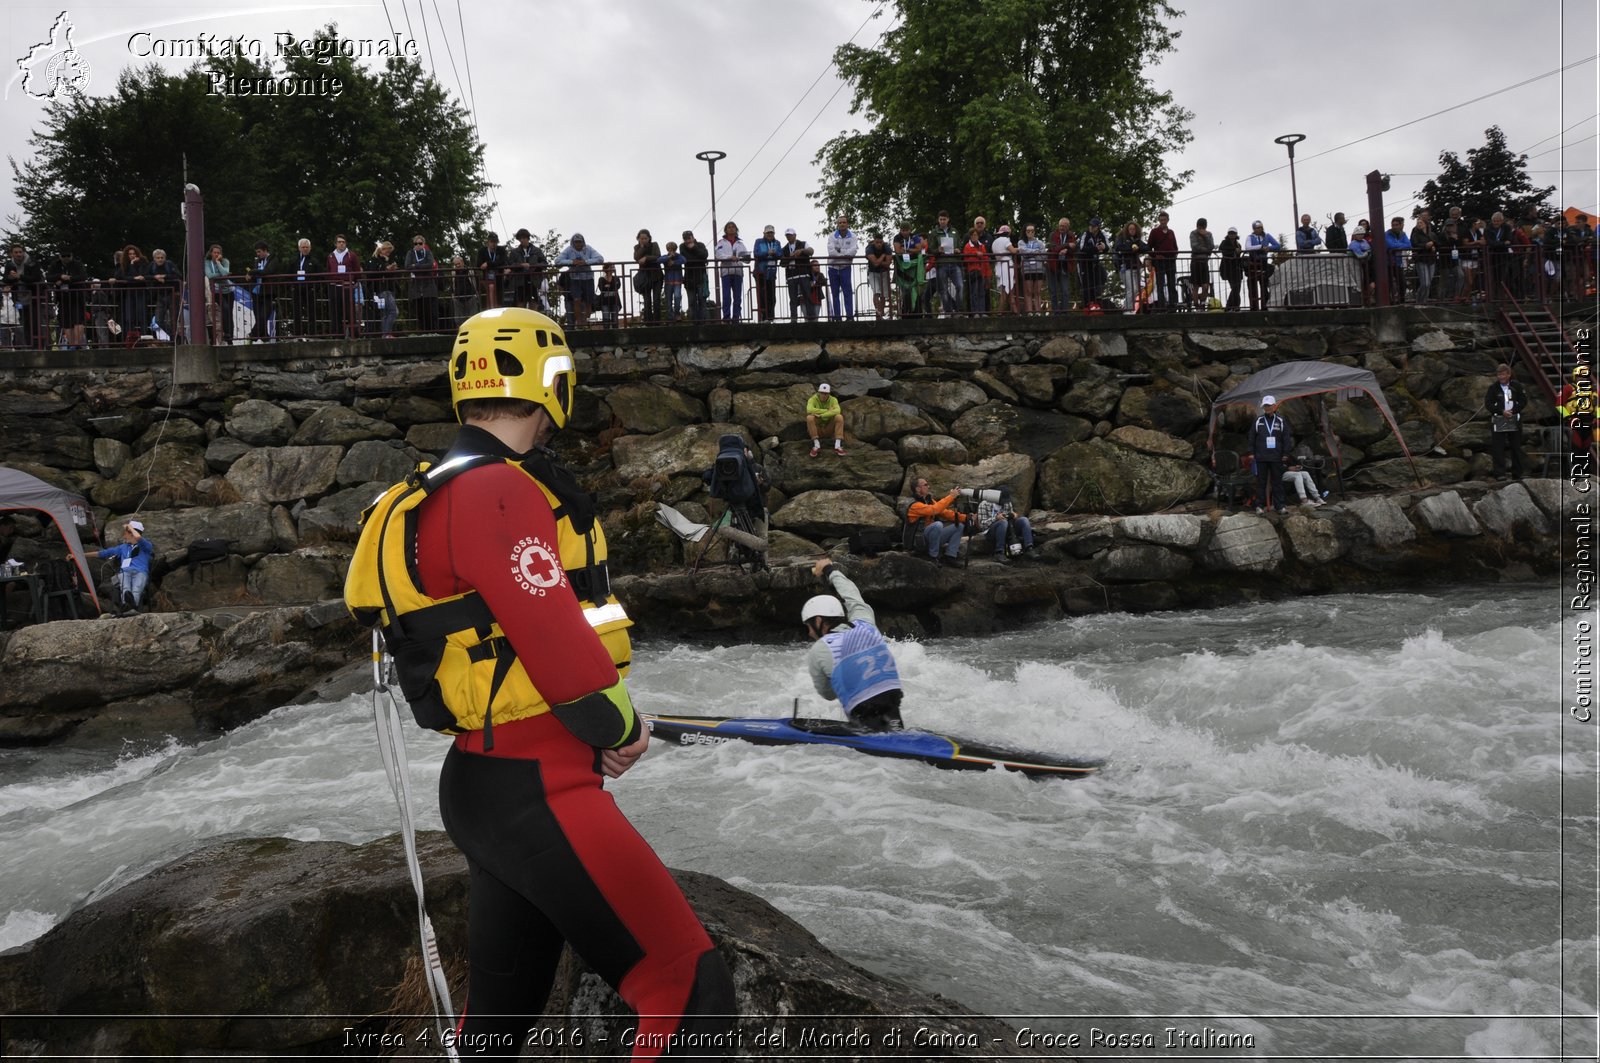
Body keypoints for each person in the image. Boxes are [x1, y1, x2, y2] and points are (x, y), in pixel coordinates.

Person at [344, 306, 734, 1056]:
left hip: (483, 781)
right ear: (552, 381)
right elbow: (558, 647)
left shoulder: (432, 491)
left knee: (495, 1031)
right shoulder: (499, 489)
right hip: (536, 786)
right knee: (689, 993)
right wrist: (620, 728)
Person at [802, 557, 904, 732]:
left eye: (809, 626)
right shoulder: (866, 624)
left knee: (874, 735)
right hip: (893, 698)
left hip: (863, 710)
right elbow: (851, 594)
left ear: (818, 621)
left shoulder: (820, 649)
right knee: (892, 730)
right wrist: (829, 569)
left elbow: (828, 694)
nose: (809, 633)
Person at [1246, 395, 1294, 514]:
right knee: (1261, 482)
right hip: (1261, 456)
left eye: (1269, 405)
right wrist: (1251, 452)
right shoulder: (1258, 421)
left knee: (1277, 482)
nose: (1267, 408)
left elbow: (1286, 438)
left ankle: (1280, 506)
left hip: (1276, 456)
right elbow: (1251, 437)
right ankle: (1259, 506)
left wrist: (1285, 453)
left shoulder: (1281, 421)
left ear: (1274, 406)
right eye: (1265, 406)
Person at [96, 519, 154, 615]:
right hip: (125, 572)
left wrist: (129, 527)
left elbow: (138, 537)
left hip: (140, 572)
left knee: (136, 588)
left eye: (126, 533)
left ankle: (128, 607)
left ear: (132, 533)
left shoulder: (146, 545)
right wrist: (80, 555)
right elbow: (104, 553)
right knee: (125, 586)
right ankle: (130, 607)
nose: (124, 536)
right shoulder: (123, 547)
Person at [906, 476, 966, 565]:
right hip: (919, 542)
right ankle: (933, 557)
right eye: (925, 485)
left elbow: (946, 513)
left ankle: (950, 556)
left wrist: (967, 518)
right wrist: (951, 496)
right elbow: (934, 510)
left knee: (959, 526)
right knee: (937, 525)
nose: (928, 487)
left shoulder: (929, 500)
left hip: (930, 538)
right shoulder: (914, 505)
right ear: (918, 489)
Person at [1483, 363, 1527, 481]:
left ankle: (1517, 472)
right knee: (1498, 447)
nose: (1501, 377)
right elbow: (1488, 403)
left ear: (1509, 374)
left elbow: (1523, 401)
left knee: (1516, 446)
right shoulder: (1493, 388)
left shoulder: (1516, 386)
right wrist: (1501, 411)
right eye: (1499, 375)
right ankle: (1499, 473)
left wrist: (1514, 411)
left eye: (1503, 374)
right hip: (1499, 419)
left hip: (1514, 419)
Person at [555, 233, 602, 326]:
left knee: (589, 302)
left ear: (583, 242)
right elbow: (557, 261)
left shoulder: (588, 248)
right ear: (573, 243)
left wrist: (586, 262)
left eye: (580, 242)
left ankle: (586, 321)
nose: (578, 244)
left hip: (588, 278)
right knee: (577, 300)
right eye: (576, 242)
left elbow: (600, 258)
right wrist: (572, 262)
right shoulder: (569, 250)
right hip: (575, 279)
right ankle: (579, 323)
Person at [2, 245, 44, 349]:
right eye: (16, 252)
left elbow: (36, 278)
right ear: (12, 254)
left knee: (34, 322)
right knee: (21, 321)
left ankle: (36, 346)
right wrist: (10, 278)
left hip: (33, 297)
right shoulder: (10, 264)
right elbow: (5, 279)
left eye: (20, 252)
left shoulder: (32, 262)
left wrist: (20, 276)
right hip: (18, 299)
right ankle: (23, 345)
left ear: (23, 252)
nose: (18, 254)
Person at [975, 493, 1034, 560]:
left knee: (1024, 520)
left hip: (1008, 529)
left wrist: (1014, 516)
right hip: (991, 532)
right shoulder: (984, 504)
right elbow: (982, 525)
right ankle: (999, 552)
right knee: (1003, 522)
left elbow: (1011, 516)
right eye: (1003, 500)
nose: (1004, 502)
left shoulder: (1007, 503)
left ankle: (1029, 548)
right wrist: (996, 518)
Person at [52, 248, 88, 348]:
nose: (66, 258)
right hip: (63, 297)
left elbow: (83, 276)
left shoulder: (78, 264)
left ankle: (77, 343)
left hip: (77, 296)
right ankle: (72, 344)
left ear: (72, 256)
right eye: (64, 256)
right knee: (66, 322)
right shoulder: (56, 265)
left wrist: (69, 279)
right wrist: (60, 277)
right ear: (60, 257)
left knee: (78, 320)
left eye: (68, 256)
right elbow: (49, 276)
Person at [932, 210, 965, 315]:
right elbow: (930, 249)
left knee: (960, 286)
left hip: (954, 262)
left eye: (944, 219)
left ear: (948, 219)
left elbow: (960, 245)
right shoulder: (934, 233)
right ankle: (949, 311)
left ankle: (959, 310)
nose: (942, 221)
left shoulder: (954, 231)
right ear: (938, 220)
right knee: (944, 289)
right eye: (940, 219)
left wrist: (958, 250)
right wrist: (937, 250)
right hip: (942, 263)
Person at [506, 228, 548, 314]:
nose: (522, 240)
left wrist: (534, 266)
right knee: (520, 302)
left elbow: (544, 263)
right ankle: (521, 321)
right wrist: (521, 265)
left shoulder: (536, 251)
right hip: (520, 281)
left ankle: (533, 321)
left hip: (534, 280)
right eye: (520, 239)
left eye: (524, 238)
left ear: (528, 238)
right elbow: (510, 265)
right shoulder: (514, 252)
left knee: (534, 302)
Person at [714, 222, 749, 323]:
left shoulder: (740, 243)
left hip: (738, 272)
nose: (731, 229)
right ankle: (726, 318)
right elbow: (718, 255)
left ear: (736, 229)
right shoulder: (721, 242)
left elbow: (746, 259)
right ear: (725, 230)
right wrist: (730, 257)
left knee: (737, 297)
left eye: (733, 227)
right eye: (729, 227)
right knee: (726, 297)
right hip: (726, 272)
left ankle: (736, 318)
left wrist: (745, 257)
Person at [825, 214, 858, 320]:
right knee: (835, 293)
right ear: (837, 224)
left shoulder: (853, 236)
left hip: (845, 268)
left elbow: (853, 252)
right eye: (840, 222)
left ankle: (849, 317)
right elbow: (831, 252)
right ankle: (837, 317)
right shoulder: (831, 236)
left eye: (844, 222)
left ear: (847, 224)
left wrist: (840, 252)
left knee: (847, 292)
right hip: (833, 268)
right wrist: (845, 255)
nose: (842, 224)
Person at [326, 234, 359, 338]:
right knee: (335, 311)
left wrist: (353, 281)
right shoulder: (330, 256)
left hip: (347, 286)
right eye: (339, 242)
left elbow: (357, 270)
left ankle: (354, 334)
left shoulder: (351, 255)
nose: (341, 244)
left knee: (350, 311)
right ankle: (337, 334)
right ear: (335, 243)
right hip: (334, 286)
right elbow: (328, 270)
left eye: (343, 242)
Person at [366, 240, 401, 338]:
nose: (388, 254)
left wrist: (393, 269)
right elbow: (373, 273)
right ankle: (386, 333)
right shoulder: (374, 261)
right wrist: (386, 268)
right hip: (381, 290)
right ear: (382, 250)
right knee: (393, 311)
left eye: (390, 252)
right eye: (387, 251)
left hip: (389, 289)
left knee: (386, 313)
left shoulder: (387, 260)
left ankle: (385, 334)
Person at [405, 235, 440, 331]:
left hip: (428, 285)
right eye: (416, 243)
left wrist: (415, 266)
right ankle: (423, 331)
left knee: (431, 311)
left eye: (420, 243)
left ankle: (434, 331)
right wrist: (422, 267)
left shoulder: (428, 252)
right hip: (416, 286)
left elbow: (430, 265)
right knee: (420, 312)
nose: (418, 245)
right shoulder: (410, 253)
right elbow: (407, 266)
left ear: (423, 244)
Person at [1243, 221, 1280, 310]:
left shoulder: (1267, 236)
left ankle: (1265, 305)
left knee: (1264, 284)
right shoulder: (1250, 237)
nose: (1258, 230)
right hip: (1253, 262)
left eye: (1260, 228)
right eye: (1256, 228)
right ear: (1253, 229)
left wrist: (1268, 248)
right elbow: (1248, 247)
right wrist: (1260, 247)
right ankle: (1254, 306)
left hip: (1263, 262)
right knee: (1252, 286)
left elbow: (1277, 245)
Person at [1147, 211, 1179, 310]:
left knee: (1172, 283)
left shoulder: (1171, 232)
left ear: (1167, 220)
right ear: (1159, 221)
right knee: (1160, 285)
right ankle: (1161, 306)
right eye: (1161, 220)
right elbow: (1148, 247)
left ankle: (1172, 305)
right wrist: (1155, 256)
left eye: (1164, 220)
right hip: (1160, 262)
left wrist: (1174, 256)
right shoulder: (1154, 232)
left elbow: (1175, 247)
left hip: (1171, 261)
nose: (1163, 222)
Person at [289, 238, 319, 338]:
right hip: (297, 289)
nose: (305, 249)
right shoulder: (294, 260)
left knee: (311, 312)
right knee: (296, 312)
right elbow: (288, 273)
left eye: (307, 247)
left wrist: (315, 287)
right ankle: (297, 334)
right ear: (299, 248)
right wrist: (292, 286)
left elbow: (320, 275)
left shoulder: (314, 261)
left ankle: (312, 334)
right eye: (303, 247)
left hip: (310, 289)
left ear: (310, 248)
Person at [245, 242, 276, 341]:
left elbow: (266, 272)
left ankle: (252, 336)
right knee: (258, 317)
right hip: (256, 292)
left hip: (268, 292)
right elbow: (256, 273)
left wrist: (252, 272)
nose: (257, 254)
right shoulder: (257, 261)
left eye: (259, 252)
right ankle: (265, 337)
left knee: (263, 316)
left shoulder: (274, 259)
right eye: (257, 252)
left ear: (265, 250)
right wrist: (250, 275)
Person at [806, 382, 846, 457]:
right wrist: (828, 410)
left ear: (829, 393)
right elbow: (809, 410)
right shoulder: (813, 399)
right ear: (819, 392)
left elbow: (837, 411)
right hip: (817, 429)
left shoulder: (833, 400)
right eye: (822, 393)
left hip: (828, 428)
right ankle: (816, 445)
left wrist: (821, 415)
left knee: (839, 417)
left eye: (826, 393)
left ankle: (837, 446)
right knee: (809, 418)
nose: (824, 395)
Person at [1113, 222, 1147, 312]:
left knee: (1136, 290)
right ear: (1127, 230)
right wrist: (1131, 248)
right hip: (1126, 267)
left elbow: (1146, 247)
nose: (1132, 231)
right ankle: (1128, 309)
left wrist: (1138, 248)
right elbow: (1118, 247)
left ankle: (1127, 307)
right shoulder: (1122, 238)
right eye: (1130, 229)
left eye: (1134, 229)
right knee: (1131, 289)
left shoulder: (1137, 240)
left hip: (1137, 267)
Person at [892, 234, 928, 319]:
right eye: (903, 230)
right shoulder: (897, 237)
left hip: (914, 272)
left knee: (917, 294)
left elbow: (918, 249)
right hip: (903, 272)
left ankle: (918, 315)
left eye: (906, 230)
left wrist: (906, 249)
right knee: (906, 294)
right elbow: (898, 251)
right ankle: (906, 314)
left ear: (910, 230)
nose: (905, 232)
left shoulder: (914, 237)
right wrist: (912, 250)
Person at [1046, 217, 1077, 314]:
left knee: (1065, 291)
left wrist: (1067, 250)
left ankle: (1065, 312)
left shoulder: (1071, 235)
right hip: (1052, 266)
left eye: (1064, 226)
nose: (1061, 228)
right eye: (1060, 225)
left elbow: (1076, 248)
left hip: (1064, 266)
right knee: (1053, 291)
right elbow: (1054, 248)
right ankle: (1056, 313)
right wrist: (1067, 245)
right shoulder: (1053, 235)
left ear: (1068, 227)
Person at [780, 229, 812, 322]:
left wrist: (801, 251)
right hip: (791, 276)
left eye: (790, 235)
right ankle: (794, 319)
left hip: (803, 274)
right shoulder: (784, 248)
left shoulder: (803, 243)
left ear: (795, 235)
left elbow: (811, 251)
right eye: (787, 235)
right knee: (793, 299)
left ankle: (810, 317)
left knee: (807, 296)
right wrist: (790, 257)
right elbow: (782, 263)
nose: (789, 237)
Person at [630, 228, 662, 324]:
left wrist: (646, 258)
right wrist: (642, 247)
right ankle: (648, 322)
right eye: (641, 238)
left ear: (649, 238)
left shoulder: (654, 245)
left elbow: (657, 256)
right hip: (644, 277)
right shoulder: (636, 247)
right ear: (638, 239)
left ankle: (657, 322)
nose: (643, 240)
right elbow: (636, 257)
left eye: (645, 238)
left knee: (656, 299)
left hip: (656, 275)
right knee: (647, 300)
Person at [751, 224, 782, 322]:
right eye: (768, 233)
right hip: (760, 272)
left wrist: (775, 254)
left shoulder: (777, 243)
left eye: (771, 233)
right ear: (764, 233)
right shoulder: (758, 241)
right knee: (762, 296)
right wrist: (767, 253)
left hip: (772, 273)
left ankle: (771, 317)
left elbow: (780, 254)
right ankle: (763, 317)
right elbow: (756, 253)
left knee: (772, 296)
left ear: (774, 233)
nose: (770, 234)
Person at [1078, 219, 1109, 309]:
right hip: (1084, 263)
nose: (1091, 227)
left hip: (1095, 263)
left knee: (1102, 275)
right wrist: (1095, 249)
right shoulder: (1085, 234)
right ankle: (1088, 304)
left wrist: (1104, 247)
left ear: (1098, 227)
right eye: (1090, 225)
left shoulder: (1102, 234)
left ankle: (1096, 299)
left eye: (1094, 226)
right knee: (1086, 283)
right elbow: (1082, 247)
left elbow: (1107, 246)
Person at [680, 230, 710, 323]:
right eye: (685, 239)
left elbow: (705, 255)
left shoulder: (700, 245)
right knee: (691, 301)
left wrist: (694, 248)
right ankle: (693, 322)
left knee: (702, 300)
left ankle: (703, 322)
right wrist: (699, 258)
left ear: (693, 237)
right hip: (689, 278)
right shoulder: (682, 247)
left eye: (689, 238)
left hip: (701, 276)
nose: (687, 241)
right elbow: (686, 259)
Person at [1017, 224, 1047, 314]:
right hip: (1027, 269)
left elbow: (1044, 255)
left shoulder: (1040, 242)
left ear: (1034, 232)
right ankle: (1030, 311)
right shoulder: (1021, 242)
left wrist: (1029, 254)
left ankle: (1038, 311)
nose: (1030, 232)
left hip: (1038, 268)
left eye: (1032, 231)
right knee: (1028, 291)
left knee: (1037, 291)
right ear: (1025, 232)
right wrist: (1036, 252)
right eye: (1028, 231)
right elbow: (1023, 252)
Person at [962, 227, 992, 315]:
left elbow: (986, 261)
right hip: (972, 272)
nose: (974, 236)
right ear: (970, 236)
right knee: (974, 293)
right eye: (973, 235)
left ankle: (982, 312)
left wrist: (988, 274)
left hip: (982, 272)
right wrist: (976, 254)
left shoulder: (982, 246)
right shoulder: (967, 246)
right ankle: (975, 312)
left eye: (976, 235)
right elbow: (965, 259)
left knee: (982, 293)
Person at [1410, 211, 1438, 305]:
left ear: (1425, 224)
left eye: (1421, 222)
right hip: (1421, 259)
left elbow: (1438, 242)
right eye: (1417, 223)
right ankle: (1419, 301)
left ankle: (1424, 301)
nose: (1419, 224)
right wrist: (1425, 245)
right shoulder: (1415, 234)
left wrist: (1434, 246)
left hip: (1431, 259)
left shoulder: (1432, 234)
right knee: (1425, 283)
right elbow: (1414, 244)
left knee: (1428, 283)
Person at [864, 231, 893, 319]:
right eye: (877, 242)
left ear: (883, 241)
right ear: (874, 241)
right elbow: (875, 263)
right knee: (876, 292)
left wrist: (878, 261)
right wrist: (883, 256)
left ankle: (881, 311)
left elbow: (888, 263)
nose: (879, 244)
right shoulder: (869, 248)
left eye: (881, 242)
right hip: (873, 272)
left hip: (884, 272)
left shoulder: (887, 247)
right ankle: (877, 311)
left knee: (884, 294)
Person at [476, 231, 507, 309]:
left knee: (499, 300)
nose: (494, 244)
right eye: (492, 242)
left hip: (498, 278)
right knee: (486, 300)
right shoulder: (482, 251)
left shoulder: (501, 250)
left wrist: (488, 264)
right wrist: (492, 264)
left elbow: (503, 262)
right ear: (488, 242)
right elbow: (478, 264)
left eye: (495, 242)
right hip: (486, 279)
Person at [1188, 219, 1215, 309]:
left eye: (1203, 227)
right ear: (1197, 226)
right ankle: (1196, 305)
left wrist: (1205, 236)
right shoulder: (1193, 233)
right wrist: (1205, 249)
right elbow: (1194, 247)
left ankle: (1202, 303)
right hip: (1195, 262)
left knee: (1205, 285)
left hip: (1204, 262)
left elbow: (1211, 246)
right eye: (1200, 227)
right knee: (1195, 285)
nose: (1201, 228)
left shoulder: (1209, 234)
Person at [990, 224, 1016, 313]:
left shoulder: (995, 242)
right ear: (1008, 233)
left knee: (1007, 288)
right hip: (1007, 265)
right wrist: (1020, 249)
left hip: (999, 265)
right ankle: (1000, 311)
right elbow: (1013, 250)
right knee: (1006, 288)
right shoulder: (1006, 240)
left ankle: (1014, 310)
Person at [659, 240, 686, 321]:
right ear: (667, 249)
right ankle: (670, 317)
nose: (671, 251)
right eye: (669, 249)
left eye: (672, 249)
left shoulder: (679, 256)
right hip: (668, 282)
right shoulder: (665, 257)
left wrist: (674, 262)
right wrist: (668, 257)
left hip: (677, 281)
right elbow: (659, 260)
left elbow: (684, 260)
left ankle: (677, 314)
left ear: (675, 249)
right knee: (668, 300)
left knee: (677, 297)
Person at [596, 263, 622, 327]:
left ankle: (615, 334)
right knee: (606, 319)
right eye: (611, 267)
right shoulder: (601, 279)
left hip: (615, 301)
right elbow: (602, 288)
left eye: (613, 267)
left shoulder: (616, 278)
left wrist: (608, 286)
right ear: (606, 268)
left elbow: (617, 286)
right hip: (605, 302)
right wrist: (611, 286)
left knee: (615, 320)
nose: (613, 268)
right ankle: (606, 334)